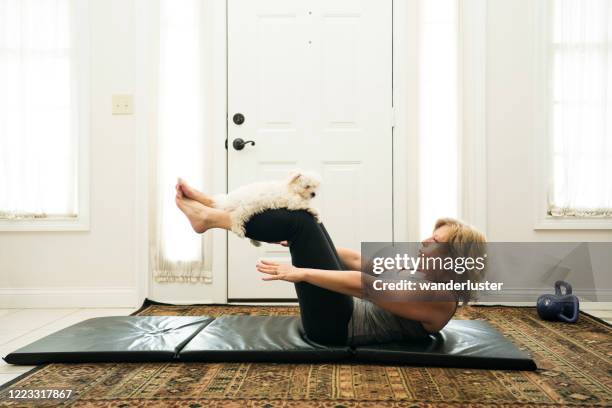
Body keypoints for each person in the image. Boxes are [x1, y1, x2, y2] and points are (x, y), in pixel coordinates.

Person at [174, 179, 487, 346]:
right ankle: (214, 207)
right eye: (430, 236)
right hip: (342, 312)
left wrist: (301, 271)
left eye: (436, 242)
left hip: (338, 328)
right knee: (307, 220)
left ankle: (212, 217)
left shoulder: (439, 297)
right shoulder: (422, 276)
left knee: (300, 223)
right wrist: (310, 246)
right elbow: (356, 261)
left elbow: (367, 287)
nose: (425, 241)